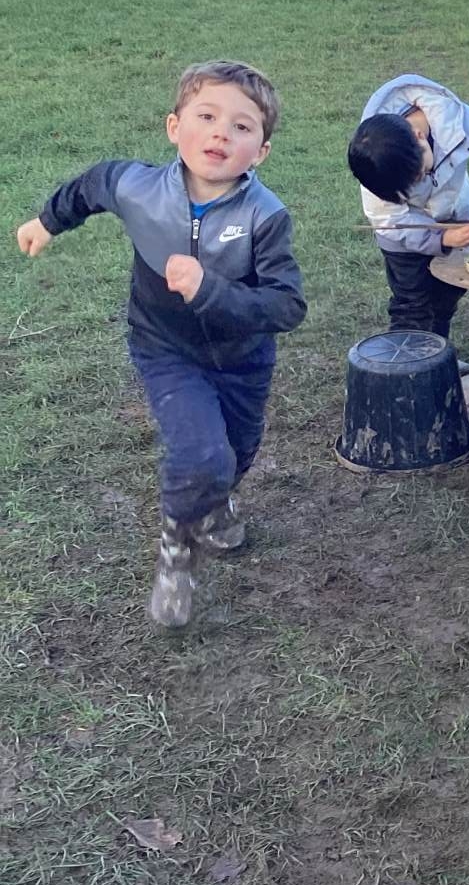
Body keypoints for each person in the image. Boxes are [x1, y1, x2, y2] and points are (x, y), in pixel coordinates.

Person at [15, 61, 306, 629]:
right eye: (207, 116)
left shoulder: (265, 217)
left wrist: (209, 289)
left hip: (243, 360)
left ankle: (215, 501)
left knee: (236, 453)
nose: (221, 133)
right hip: (165, 349)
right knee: (201, 455)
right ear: (175, 127)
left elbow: (287, 306)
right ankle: (177, 547)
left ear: (262, 152)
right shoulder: (139, 188)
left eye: (242, 126)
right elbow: (93, 184)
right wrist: (47, 222)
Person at [348, 74, 469, 341]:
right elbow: (389, 220)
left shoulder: (453, 118)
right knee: (411, 305)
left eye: (419, 175)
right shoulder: (375, 164)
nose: (418, 184)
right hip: (403, 236)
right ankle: (410, 359)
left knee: (446, 295)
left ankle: (438, 351)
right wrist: (440, 238)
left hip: (453, 215)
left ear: (419, 136)